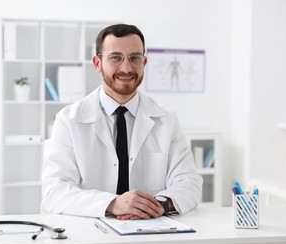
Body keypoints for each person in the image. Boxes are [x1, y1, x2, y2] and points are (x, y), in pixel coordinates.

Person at [41, 24, 202, 220]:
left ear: (144, 62)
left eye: (134, 58)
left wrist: (158, 205)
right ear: (97, 63)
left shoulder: (166, 120)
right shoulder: (68, 120)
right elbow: (54, 191)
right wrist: (113, 204)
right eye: (116, 58)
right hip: (89, 233)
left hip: (152, 230)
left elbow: (190, 182)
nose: (126, 68)